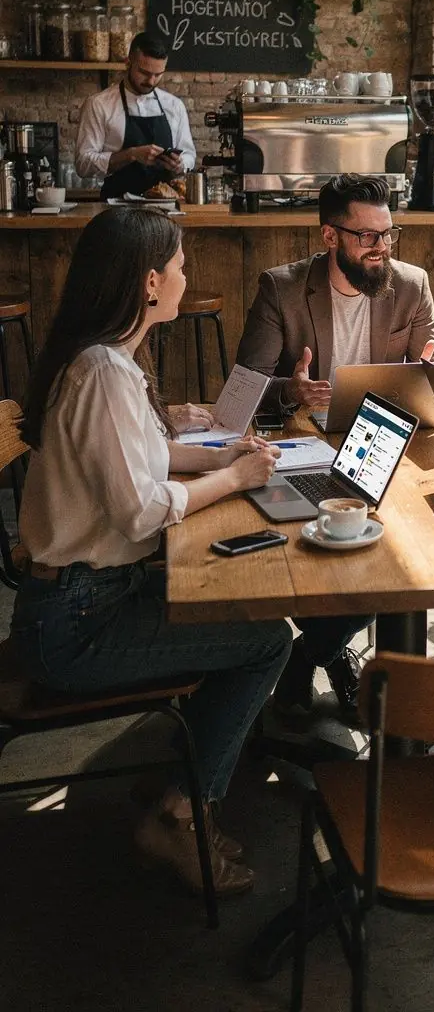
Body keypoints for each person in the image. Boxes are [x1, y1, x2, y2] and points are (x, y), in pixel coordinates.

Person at [10, 207, 292, 898]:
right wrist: (232, 480)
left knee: (237, 610)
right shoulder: (103, 372)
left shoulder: (105, 361)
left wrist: (227, 454)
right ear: (149, 283)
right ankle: (178, 810)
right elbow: (139, 505)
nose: (187, 276)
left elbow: (148, 457)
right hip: (75, 625)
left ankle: (179, 776)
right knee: (267, 642)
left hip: (83, 599)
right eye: (182, 265)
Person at [237, 173, 434, 722]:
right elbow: (241, 387)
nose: (381, 248)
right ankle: (324, 652)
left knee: (409, 555)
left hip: (381, 445)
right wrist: (292, 388)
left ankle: (311, 653)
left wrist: (431, 370)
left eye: (387, 235)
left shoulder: (411, 283)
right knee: (313, 552)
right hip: (301, 447)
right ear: (330, 236)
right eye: (367, 237)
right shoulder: (281, 287)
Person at [75, 32, 196, 199]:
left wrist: (179, 164)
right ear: (128, 63)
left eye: (158, 74)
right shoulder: (99, 104)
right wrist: (130, 154)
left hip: (165, 207)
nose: (151, 81)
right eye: (144, 72)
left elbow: (190, 157)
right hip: (116, 207)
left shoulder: (174, 106)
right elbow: (83, 164)